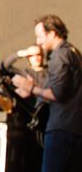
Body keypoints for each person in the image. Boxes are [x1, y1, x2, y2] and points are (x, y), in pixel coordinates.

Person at [12, 15, 82, 172]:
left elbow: (56, 94)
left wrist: (28, 87)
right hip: (74, 126)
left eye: (40, 36)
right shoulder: (74, 52)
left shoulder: (60, 55)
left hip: (61, 127)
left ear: (52, 33)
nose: (38, 42)